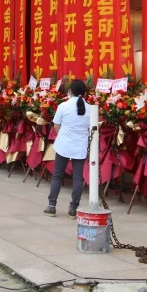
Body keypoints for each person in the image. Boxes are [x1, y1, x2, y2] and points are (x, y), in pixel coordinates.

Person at [44, 79, 93, 218]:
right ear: (85, 93)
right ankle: (73, 209)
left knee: (57, 175)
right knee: (77, 178)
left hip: (64, 146)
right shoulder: (90, 109)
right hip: (80, 147)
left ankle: (51, 206)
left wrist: (64, 136)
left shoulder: (63, 106)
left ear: (70, 91)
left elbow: (56, 125)